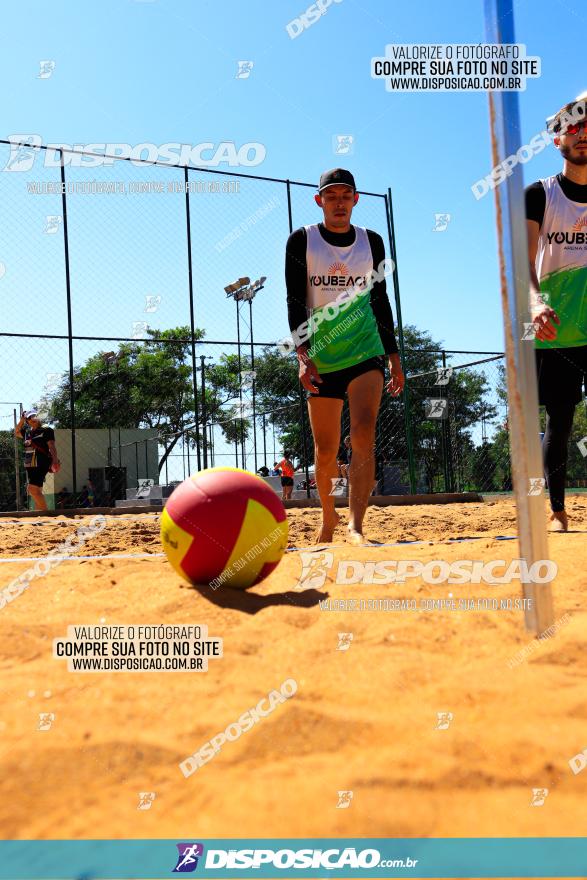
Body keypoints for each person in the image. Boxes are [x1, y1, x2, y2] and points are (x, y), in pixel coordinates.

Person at [285, 167, 404, 543]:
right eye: (331, 196)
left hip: (365, 350)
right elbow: (294, 300)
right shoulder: (301, 240)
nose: (339, 202)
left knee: (363, 436)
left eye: (345, 195)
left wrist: (393, 356)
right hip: (321, 355)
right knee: (325, 451)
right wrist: (303, 356)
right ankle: (328, 518)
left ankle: (356, 524)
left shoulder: (372, 242)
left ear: (356, 200)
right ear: (319, 201)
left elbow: (380, 300)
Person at [526, 92, 587, 532]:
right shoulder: (540, 194)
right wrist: (535, 302)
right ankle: (558, 511)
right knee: (560, 422)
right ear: (556, 140)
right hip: (556, 328)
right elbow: (523, 258)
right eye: (574, 126)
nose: (583, 134)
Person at [14, 410, 60, 511]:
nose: (33, 418)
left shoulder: (46, 429)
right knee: (37, 489)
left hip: (41, 462)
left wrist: (55, 460)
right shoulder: (27, 432)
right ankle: (39, 515)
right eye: (30, 417)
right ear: (27, 421)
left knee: (31, 489)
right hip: (30, 463)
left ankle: (45, 513)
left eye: (35, 416)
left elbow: (51, 445)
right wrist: (21, 420)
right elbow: (16, 432)